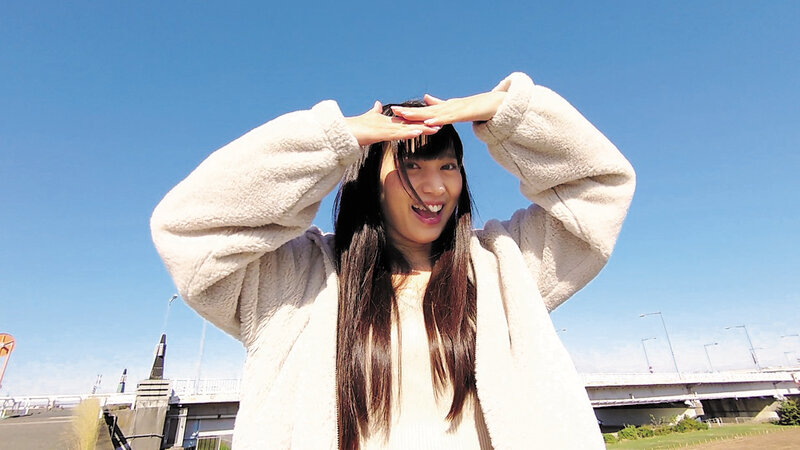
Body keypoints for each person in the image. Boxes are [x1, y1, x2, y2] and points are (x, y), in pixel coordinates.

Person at [151, 72, 635, 449]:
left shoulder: (501, 266)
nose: (436, 186)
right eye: (411, 165)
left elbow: (600, 189)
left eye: (449, 165)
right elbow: (188, 228)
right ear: (369, 182)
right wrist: (331, 140)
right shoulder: (299, 283)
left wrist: (512, 115)